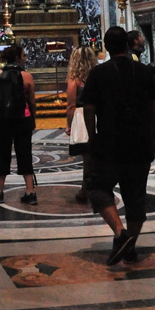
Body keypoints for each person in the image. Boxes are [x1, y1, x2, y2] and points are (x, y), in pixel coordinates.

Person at [82, 27, 155, 266]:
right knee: (136, 195)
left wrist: (91, 135)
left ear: (106, 47)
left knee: (97, 187)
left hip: (109, 140)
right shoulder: (144, 71)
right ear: (127, 46)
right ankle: (131, 247)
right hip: (139, 139)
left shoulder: (98, 73)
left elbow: (89, 108)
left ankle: (121, 233)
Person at [0, 44, 37, 205]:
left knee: (1, 154)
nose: (25, 58)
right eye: (23, 56)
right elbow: (31, 101)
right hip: (22, 119)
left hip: (2, 119)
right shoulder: (27, 76)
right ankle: (30, 192)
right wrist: (33, 119)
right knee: (25, 153)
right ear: (17, 58)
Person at [66, 45, 98, 204]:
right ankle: (92, 188)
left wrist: (69, 125)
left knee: (87, 157)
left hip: (81, 116)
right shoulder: (99, 76)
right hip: (99, 115)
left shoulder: (74, 80)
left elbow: (71, 105)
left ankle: (86, 189)